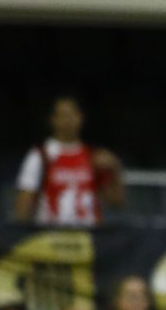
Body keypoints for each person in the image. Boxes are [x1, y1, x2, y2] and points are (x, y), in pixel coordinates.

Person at [13, 94, 124, 226]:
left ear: (81, 117)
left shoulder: (93, 156)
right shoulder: (40, 155)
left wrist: (115, 168)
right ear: (53, 120)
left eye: (72, 115)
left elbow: (116, 203)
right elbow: (24, 204)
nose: (68, 120)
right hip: (52, 237)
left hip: (88, 237)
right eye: (63, 115)